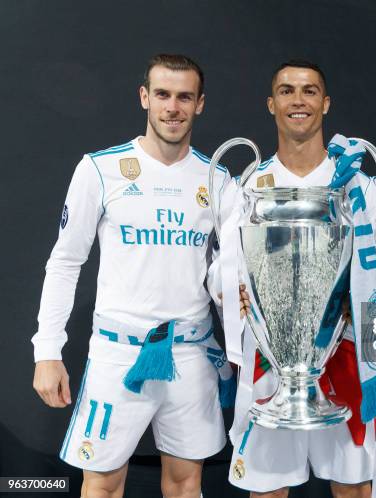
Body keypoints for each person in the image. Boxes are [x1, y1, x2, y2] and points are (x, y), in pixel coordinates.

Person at [32, 54, 235, 498]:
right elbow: (66, 262)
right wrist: (47, 349)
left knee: (186, 483)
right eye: (162, 94)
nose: (172, 107)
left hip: (191, 353)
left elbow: (232, 275)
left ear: (199, 104)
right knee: (103, 484)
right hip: (119, 353)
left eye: (184, 97)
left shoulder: (218, 179)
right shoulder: (100, 170)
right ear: (145, 97)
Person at [219, 59, 376, 498]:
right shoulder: (247, 184)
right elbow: (221, 267)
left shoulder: (357, 183)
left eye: (309, 90)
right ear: (271, 103)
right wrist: (235, 292)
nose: (298, 100)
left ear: (325, 103)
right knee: (267, 491)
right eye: (286, 91)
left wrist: (351, 295)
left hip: (345, 355)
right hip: (270, 361)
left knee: (353, 488)